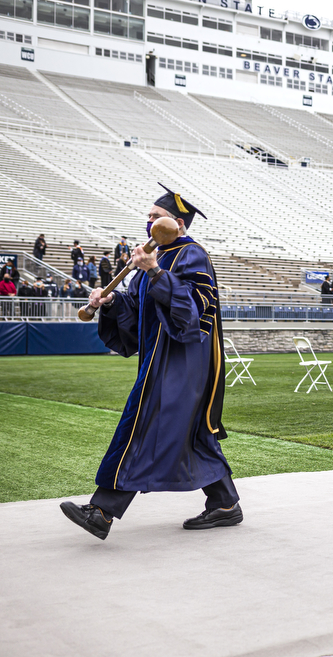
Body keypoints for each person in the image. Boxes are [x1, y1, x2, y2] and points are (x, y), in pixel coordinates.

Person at [60, 183, 241, 540]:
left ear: (176, 222)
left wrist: (157, 273)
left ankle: (102, 511)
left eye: (155, 217)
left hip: (182, 363)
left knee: (141, 426)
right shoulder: (150, 258)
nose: (149, 223)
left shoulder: (191, 255)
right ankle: (224, 503)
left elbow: (191, 315)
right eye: (148, 217)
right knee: (192, 435)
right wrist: (110, 303)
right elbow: (139, 310)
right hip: (159, 360)